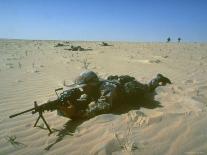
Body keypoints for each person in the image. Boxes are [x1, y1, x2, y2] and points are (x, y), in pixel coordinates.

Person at [58, 70, 171, 119]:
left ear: (92, 84)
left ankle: (158, 78)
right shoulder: (91, 89)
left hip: (130, 88)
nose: (82, 90)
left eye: (83, 87)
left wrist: (78, 114)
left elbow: (104, 106)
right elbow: (86, 99)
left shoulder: (107, 88)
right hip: (117, 84)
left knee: (147, 88)